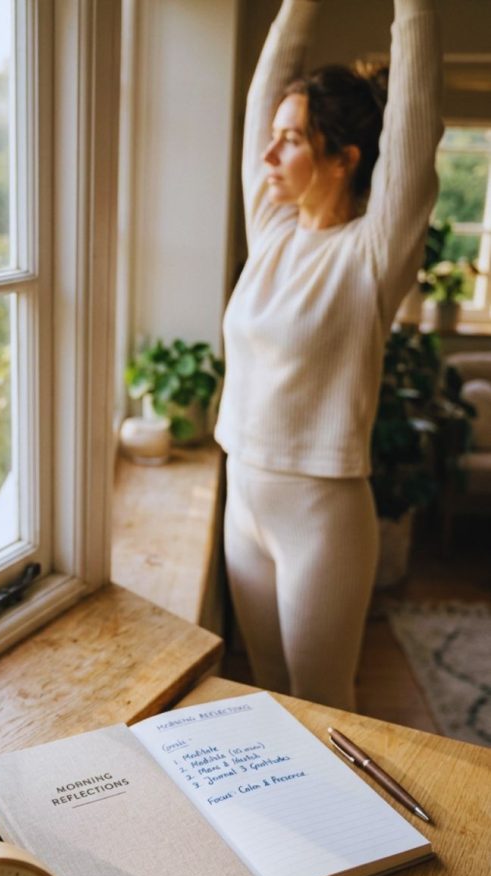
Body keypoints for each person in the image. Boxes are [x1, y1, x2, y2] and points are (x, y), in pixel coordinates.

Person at [215, 0, 442, 710]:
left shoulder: (372, 255)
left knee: (320, 701)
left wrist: (414, 11)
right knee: (267, 694)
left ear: (342, 159)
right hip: (242, 500)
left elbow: (414, 118)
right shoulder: (273, 229)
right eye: (273, 139)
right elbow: (262, 95)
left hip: (320, 516)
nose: (267, 154)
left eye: (290, 141)